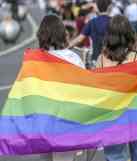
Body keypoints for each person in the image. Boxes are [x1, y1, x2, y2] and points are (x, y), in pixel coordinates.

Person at [96, 15, 137, 161]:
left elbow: (97, 88)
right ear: (128, 33)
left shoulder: (101, 59)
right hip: (135, 113)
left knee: (115, 156)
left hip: (112, 115)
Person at [36, 14, 85, 161]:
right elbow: (83, 90)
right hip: (66, 120)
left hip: (43, 121)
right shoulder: (73, 58)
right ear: (62, 33)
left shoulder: (36, 60)